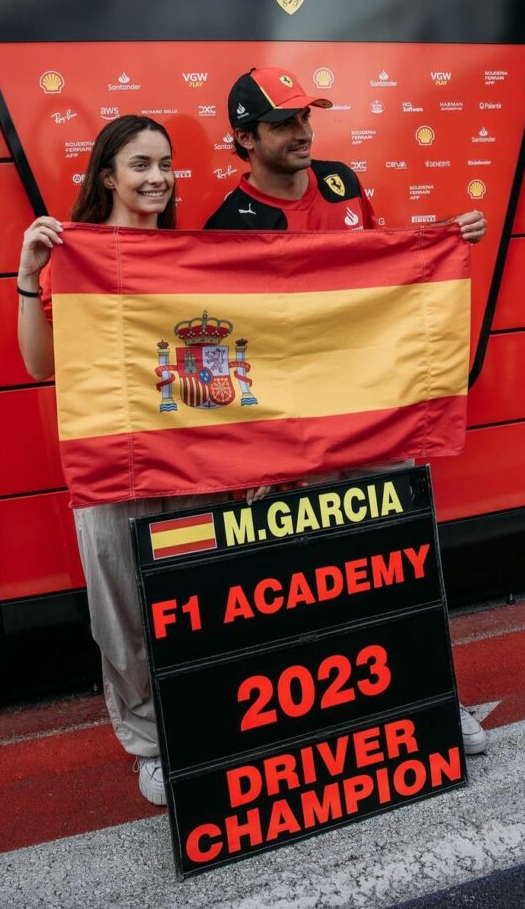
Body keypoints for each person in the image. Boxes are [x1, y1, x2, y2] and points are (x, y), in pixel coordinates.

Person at [204, 67, 489, 754]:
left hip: (373, 417)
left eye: (307, 117)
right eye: (283, 123)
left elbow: (383, 277)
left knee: (400, 560)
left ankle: (431, 701)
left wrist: (445, 242)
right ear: (244, 137)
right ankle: (320, 724)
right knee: (307, 583)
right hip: (293, 438)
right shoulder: (225, 223)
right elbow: (234, 346)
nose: (302, 132)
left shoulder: (341, 179)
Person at [16, 115, 208, 805]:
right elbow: (40, 365)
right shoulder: (75, 254)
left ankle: (202, 722)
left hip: (190, 464)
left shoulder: (197, 255)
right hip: (109, 465)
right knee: (121, 614)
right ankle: (150, 745)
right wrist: (27, 278)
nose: (157, 178)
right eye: (140, 164)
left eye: (166, 164)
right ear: (106, 176)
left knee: (194, 598)